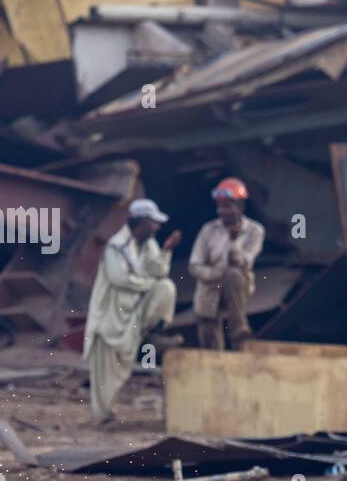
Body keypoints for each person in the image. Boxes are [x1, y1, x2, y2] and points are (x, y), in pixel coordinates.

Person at [83, 199, 179, 421]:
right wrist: (146, 283)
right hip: (111, 314)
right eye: (153, 223)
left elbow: (159, 272)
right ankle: (103, 414)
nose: (156, 228)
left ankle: (152, 331)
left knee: (166, 288)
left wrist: (166, 251)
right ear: (141, 222)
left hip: (134, 311)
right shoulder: (116, 246)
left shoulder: (149, 245)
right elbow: (120, 278)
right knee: (107, 369)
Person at [189, 177, 265, 350]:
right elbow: (195, 265)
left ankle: (239, 332)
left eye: (227, 207)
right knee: (210, 345)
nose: (221, 211)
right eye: (219, 207)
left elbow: (244, 261)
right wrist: (215, 274)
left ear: (240, 207)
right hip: (209, 289)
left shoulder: (254, 231)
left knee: (234, 275)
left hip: (236, 287)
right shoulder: (208, 230)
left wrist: (233, 241)